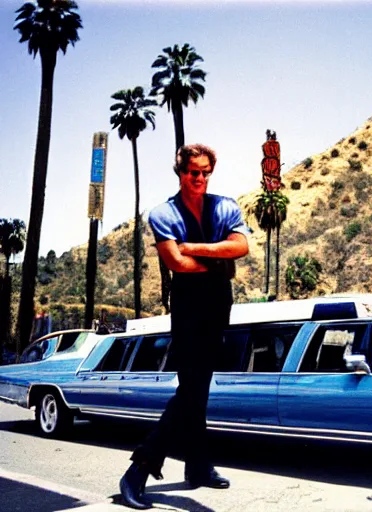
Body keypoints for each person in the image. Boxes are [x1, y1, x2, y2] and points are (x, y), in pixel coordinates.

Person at [119, 144, 250, 510]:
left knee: (200, 385)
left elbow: (240, 247)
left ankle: (198, 465)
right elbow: (176, 263)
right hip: (189, 303)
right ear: (180, 171)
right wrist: (218, 258)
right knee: (192, 387)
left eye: (206, 172)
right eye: (194, 172)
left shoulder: (225, 205)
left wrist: (196, 247)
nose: (200, 178)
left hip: (217, 302)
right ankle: (140, 467)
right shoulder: (163, 212)